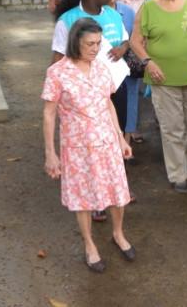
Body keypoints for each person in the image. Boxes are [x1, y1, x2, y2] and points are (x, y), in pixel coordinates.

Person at [42, 18, 135, 273]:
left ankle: (118, 234)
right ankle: (89, 244)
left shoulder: (101, 68)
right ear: (75, 43)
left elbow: (108, 103)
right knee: (82, 198)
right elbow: (49, 113)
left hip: (106, 142)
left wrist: (119, 138)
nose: (96, 49)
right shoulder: (58, 73)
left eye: (98, 43)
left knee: (117, 191)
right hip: (77, 146)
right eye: (90, 44)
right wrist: (51, 153)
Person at [52, 0, 130, 221]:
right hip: (81, 95)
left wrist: (122, 49)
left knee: (114, 137)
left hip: (114, 86)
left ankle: (115, 188)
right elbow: (57, 58)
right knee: (88, 148)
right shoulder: (68, 19)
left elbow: (126, 40)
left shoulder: (113, 15)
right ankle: (94, 198)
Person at [130, 0, 187, 194]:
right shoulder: (148, 8)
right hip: (162, 78)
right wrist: (148, 62)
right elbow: (135, 41)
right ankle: (178, 173)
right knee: (172, 127)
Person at [110, 0, 144, 145]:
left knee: (131, 94)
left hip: (130, 58)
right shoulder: (105, 6)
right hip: (108, 60)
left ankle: (128, 136)